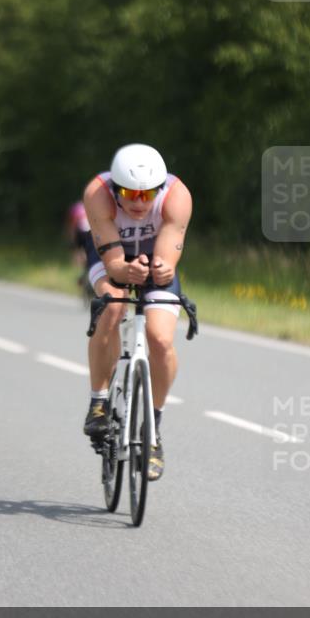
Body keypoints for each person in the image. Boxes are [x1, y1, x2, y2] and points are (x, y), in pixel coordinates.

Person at [82, 144, 192, 481]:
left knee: (160, 339)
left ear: (159, 189)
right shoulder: (98, 193)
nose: (140, 202)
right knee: (113, 307)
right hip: (109, 255)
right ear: (116, 187)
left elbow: (168, 256)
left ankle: (152, 430)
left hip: (153, 254)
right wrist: (122, 271)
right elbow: (115, 264)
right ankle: (99, 401)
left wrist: (163, 269)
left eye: (148, 194)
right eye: (130, 193)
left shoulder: (176, 196)